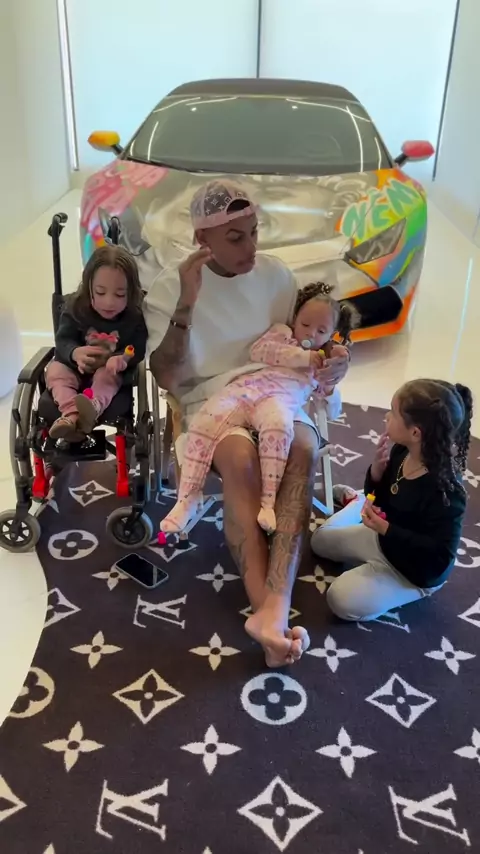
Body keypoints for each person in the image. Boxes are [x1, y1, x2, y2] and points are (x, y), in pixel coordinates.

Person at [145, 180, 350, 667]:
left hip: (280, 387)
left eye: (255, 232)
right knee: (239, 458)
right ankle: (270, 615)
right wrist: (187, 303)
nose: (251, 247)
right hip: (211, 395)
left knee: (302, 448)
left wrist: (336, 359)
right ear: (202, 239)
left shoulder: (277, 276)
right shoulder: (170, 288)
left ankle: (272, 612)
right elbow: (168, 378)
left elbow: (310, 339)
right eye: (236, 237)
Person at [160, 282, 357, 536]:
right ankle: (188, 497)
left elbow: (331, 409)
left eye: (321, 330)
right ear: (295, 319)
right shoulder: (282, 334)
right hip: (247, 388)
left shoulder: (322, 363)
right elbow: (259, 351)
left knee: (279, 427)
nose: (310, 333)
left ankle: (267, 503)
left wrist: (329, 385)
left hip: (279, 400)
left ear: (331, 335)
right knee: (206, 420)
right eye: (305, 324)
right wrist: (301, 357)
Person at [311, 379, 473, 621]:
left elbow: (439, 555)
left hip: (412, 572)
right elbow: (382, 498)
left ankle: (357, 507)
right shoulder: (402, 451)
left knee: (341, 600)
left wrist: (387, 529)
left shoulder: (447, 491)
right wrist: (376, 475)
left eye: (393, 412)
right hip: (382, 538)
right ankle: (356, 501)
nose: (386, 417)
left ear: (415, 432)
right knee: (318, 542)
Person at [46, 245, 147, 441]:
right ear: (89, 287)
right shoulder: (75, 307)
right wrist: (75, 353)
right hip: (74, 367)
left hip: (107, 372)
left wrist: (122, 359)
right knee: (55, 371)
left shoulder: (134, 316)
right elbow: (63, 340)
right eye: (100, 293)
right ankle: (72, 414)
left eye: (120, 295)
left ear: (131, 293)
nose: (109, 302)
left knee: (107, 375)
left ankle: (90, 409)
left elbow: (138, 348)